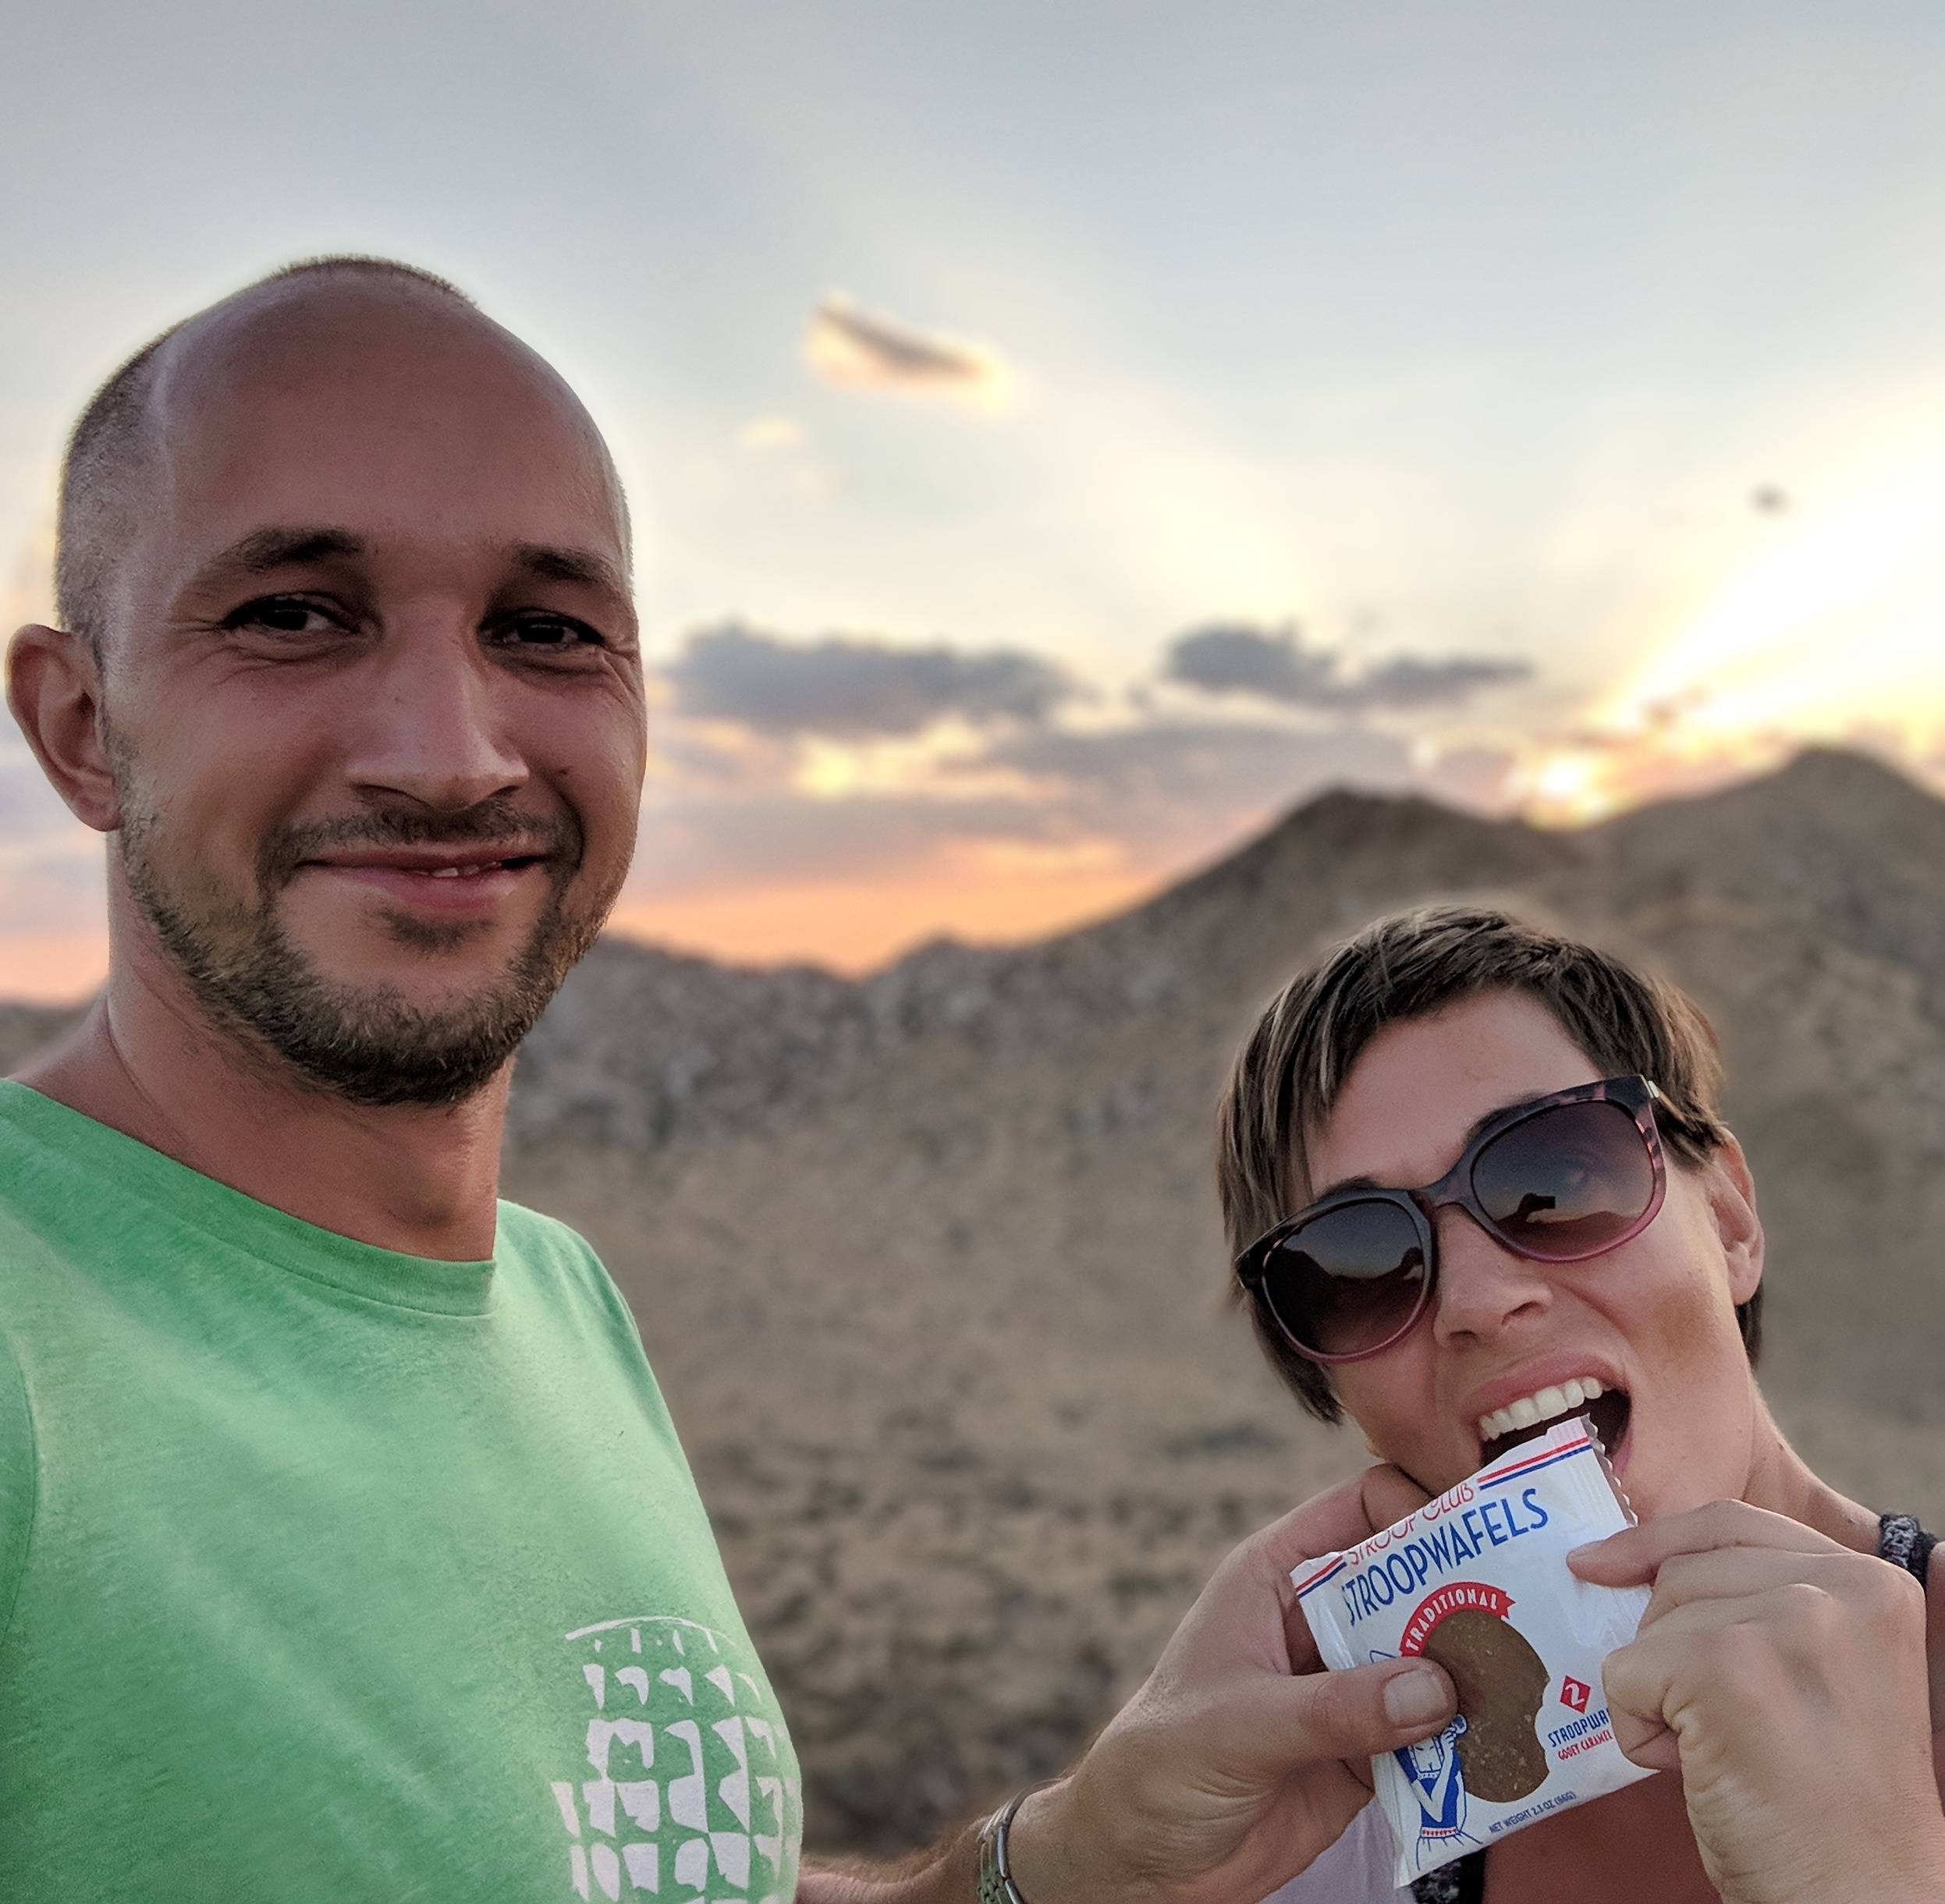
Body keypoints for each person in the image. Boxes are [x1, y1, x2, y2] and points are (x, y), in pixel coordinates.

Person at [1, 255, 1465, 1902]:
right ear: (78, 722)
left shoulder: (555, 1300)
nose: (450, 746)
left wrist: (1056, 1862)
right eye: (292, 614)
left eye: (544, 629)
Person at [1215, 905, 1945, 1904]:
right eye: (1360, 1263)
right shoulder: (1311, 1832)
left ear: (1729, 1221)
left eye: (1552, 1174)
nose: (1477, 1300)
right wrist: (1059, 1852)